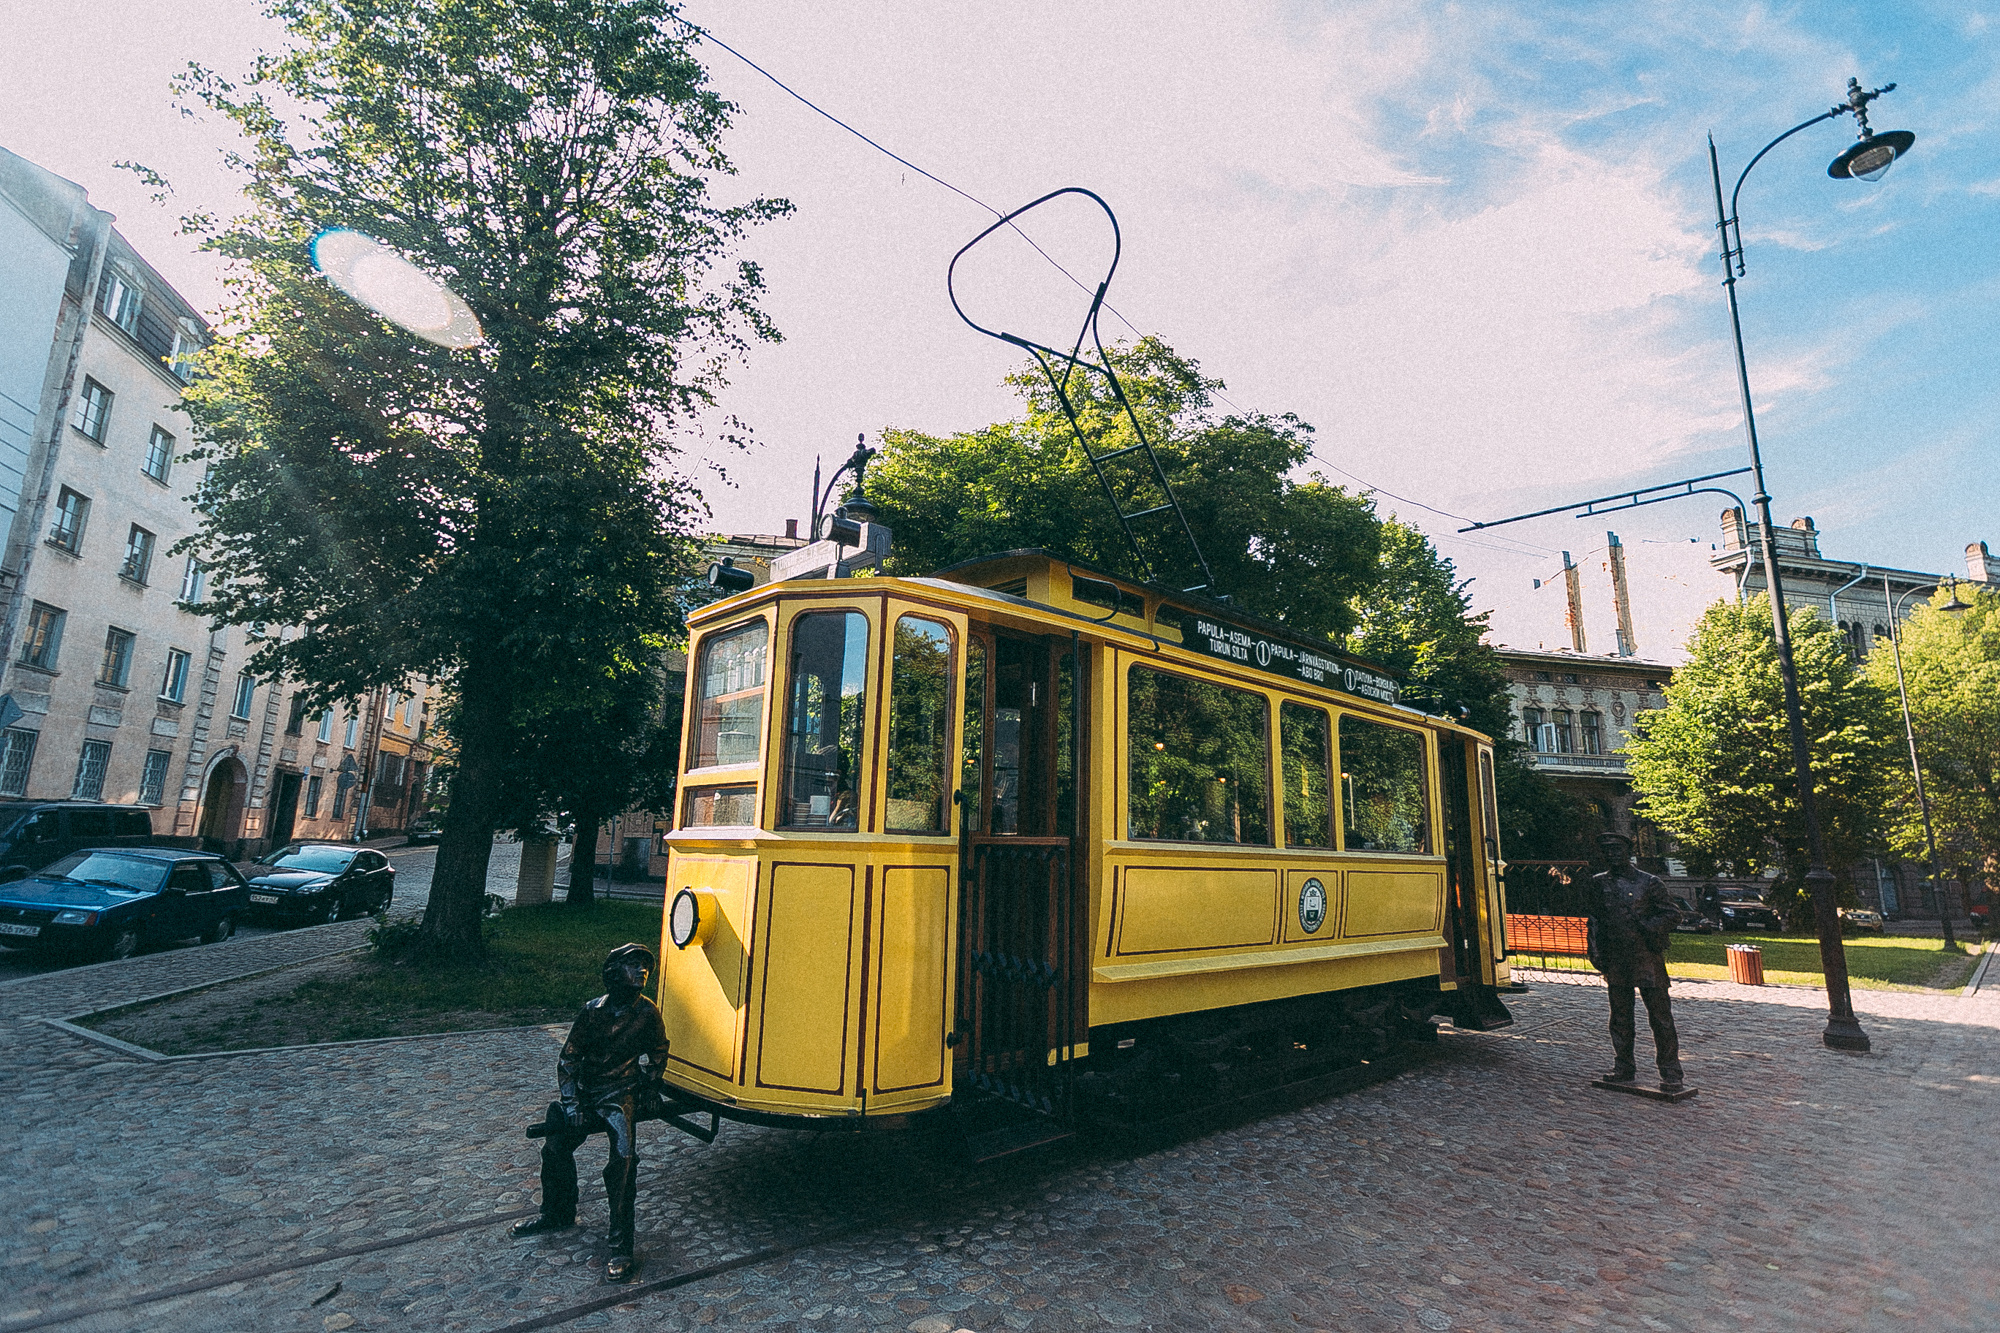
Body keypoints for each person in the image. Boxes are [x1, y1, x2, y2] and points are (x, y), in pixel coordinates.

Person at [511, 942, 669, 1283]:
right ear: (613, 973)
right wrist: (572, 1103)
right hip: (585, 1091)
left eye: (644, 965)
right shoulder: (592, 1011)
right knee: (555, 1145)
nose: (641, 969)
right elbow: (569, 1059)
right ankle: (556, 1213)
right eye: (632, 964)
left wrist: (650, 1089)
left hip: (620, 1093)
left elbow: (658, 1051)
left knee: (624, 1160)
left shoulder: (647, 1013)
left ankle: (621, 1247)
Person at [1587, 831, 1685, 1092]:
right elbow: (1594, 919)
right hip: (1616, 959)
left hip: (1646, 958)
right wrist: (1594, 950)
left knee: (1661, 1019)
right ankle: (1623, 1067)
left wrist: (1647, 927)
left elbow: (1672, 915)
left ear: (1627, 853)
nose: (1611, 855)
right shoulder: (1598, 883)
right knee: (1620, 1019)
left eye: (1616, 850)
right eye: (1607, 851)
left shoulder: (1649, 882)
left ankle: (1671, 1072)